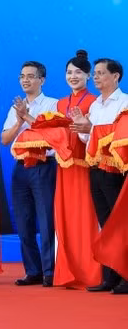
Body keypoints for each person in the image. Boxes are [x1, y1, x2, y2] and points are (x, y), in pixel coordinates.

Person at [71, 58, 128, 294]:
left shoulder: (124, 103)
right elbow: (88, 140)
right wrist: (83, 127)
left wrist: (90, 129)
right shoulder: (95, 105)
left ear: (115, 77)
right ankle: (110, 277)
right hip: (94, 168)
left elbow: (119, 135)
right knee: (105, 225)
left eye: (101, 73)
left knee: (121, 225)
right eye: (94, 73)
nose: (95, 77)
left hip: (115, 170)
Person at [0, 62, 59, 287]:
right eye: (22, 76)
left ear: (42, 80)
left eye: (31, 76)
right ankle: (32, 271)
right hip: (21, 167)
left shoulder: (52, 104)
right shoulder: (16, 106)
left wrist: (27, 118)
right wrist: (18, 121)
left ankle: (49, 271)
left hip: (44, 165)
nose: (26, 80)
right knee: (23, 222)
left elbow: (53, 136)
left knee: (45, 221)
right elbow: (5, 139)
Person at [52, 51, 100, 288]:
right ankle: (68, 273)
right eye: (69, 72)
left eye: (78, 73)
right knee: (66, 220)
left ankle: (91, 273)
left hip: (85, 167)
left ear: (88, 76)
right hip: (64, 169)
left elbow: (95, 134)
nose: (73, 76)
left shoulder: (95, 101)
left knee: (87, 220)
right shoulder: (60, 103)